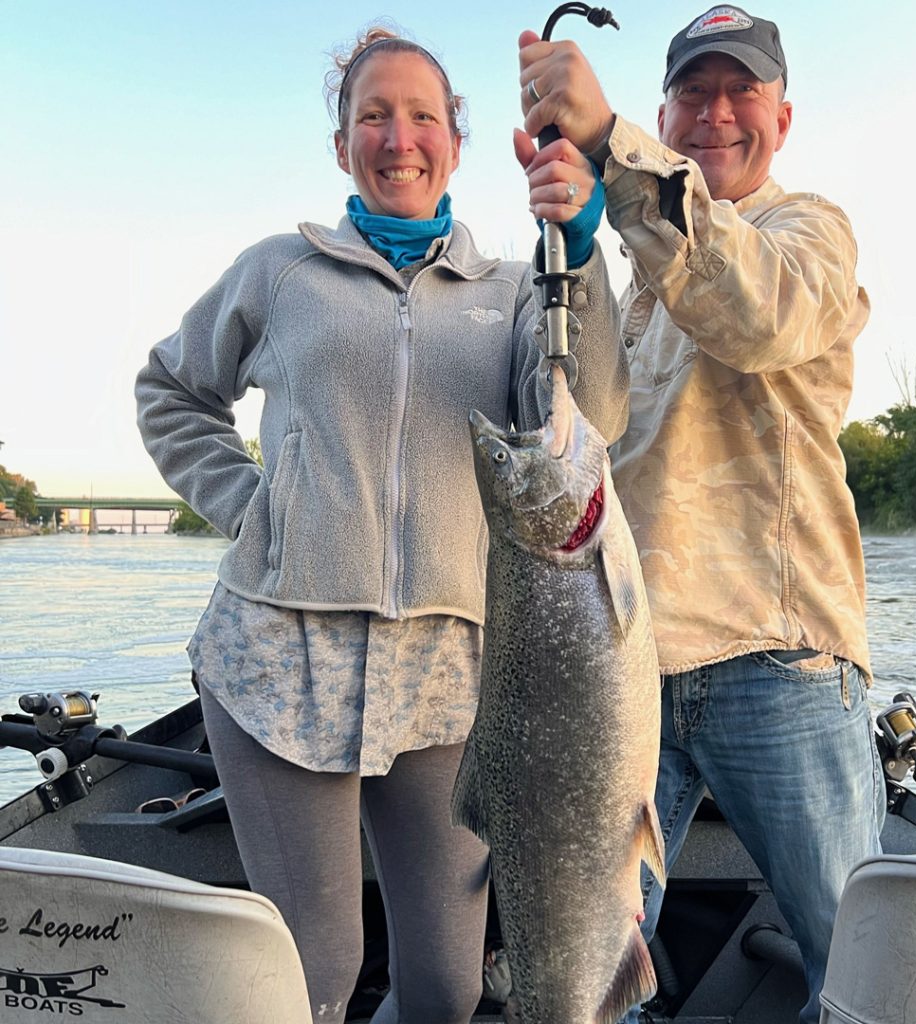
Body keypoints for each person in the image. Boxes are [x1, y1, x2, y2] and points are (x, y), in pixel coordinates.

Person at [136, 25, 628, 1023]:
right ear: (341, 145)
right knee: (312, 972)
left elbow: (591, 416)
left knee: (445, 989)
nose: (396, 136)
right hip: (278, 654)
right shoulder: (279, 271)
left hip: (450, 670)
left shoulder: (516, 289)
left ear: (456, 140)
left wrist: (578, 253)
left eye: (420, 116)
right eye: (372, 115)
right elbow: (169, 391)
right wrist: (246, 504)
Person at [519, 7, 885, 1023]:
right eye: (694, 91)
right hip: (624, 676)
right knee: (589, 974)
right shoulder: (640, 272)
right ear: (670, 107)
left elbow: (755, 312)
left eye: (742, 91)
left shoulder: (807, 231)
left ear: (783, 112)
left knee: (859, 965)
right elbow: (575, 432)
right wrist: (576, 237)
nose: (716, 112)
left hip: (777, 662)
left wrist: (607, 147)